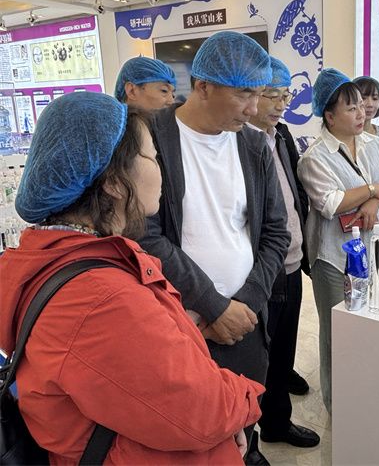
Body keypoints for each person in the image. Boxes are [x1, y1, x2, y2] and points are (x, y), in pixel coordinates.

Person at [0, 92, 264, 464]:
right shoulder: (98, 299)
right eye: (152, 157)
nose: (161, 169)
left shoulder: (80, 260)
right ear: (113, 181)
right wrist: (243, 402)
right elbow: (201, 411)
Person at [139, 31, 290, 466]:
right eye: (244, 94)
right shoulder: (151, 139)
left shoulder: (253, 145)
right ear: (203, 86)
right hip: (180, 320)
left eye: (259, 94)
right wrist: (212, 304)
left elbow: (275, 233)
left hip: (244, 320)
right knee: (192, 433)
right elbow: (144, 233)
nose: (254, 108)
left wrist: (246, 303)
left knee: (244, 413)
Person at [297, 68, 379, 413]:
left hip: (375, 247)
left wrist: (374, 201)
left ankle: (368, 391)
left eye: (362, 105)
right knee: (338, 333)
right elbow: (332, 203)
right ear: (329, 116)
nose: (362, 112)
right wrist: (375, 188)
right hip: (334, 257)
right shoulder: (314, 157)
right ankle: (339, 406)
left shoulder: (376, 144)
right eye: (351, 108)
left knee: (372, 320)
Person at [246, 57, 320, 448]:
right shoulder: (239, 142)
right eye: (271, 94)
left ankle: (277, 423)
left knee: (283, 352)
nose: (280, 103)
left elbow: (294, 194)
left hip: (290, 262)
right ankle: (246, 441)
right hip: (261, 267)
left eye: (285, 95)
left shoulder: (281, 135)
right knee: (255, 359)